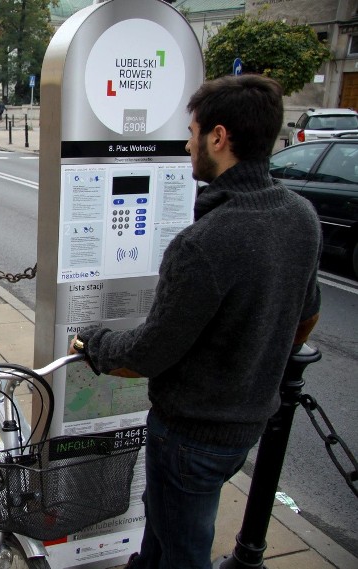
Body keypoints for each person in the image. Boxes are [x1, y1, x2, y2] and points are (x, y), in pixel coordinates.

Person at [68, 75, 321, 569]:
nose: (187, 144)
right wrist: (252, 361)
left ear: (218, 138)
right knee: (162, 533)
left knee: (184, 551)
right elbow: (305, 318)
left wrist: (93, 342)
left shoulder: (204, 242)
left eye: (192, 132)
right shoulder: (300, 215)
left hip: (190, 435)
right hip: (248, 422)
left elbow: (149, 353)